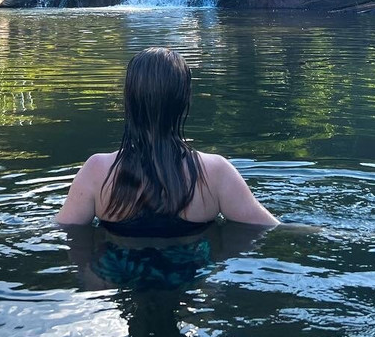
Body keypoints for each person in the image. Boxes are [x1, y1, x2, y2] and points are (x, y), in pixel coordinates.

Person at [55, 47, 278, 233]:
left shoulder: (97, 171)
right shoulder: (215, 172)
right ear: (184, 100)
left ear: (129, 100)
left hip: (122, 280)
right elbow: (268, 227)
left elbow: (67, 233)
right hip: (190, 281)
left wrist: (94, 281)